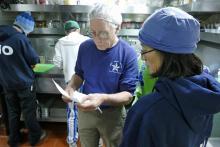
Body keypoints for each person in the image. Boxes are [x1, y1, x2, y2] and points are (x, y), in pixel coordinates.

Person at [120, 7, 220, 147]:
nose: (142, 57)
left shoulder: (146, 111)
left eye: (145, 49)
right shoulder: (205, 96)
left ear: (166, 52)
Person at [62, 3, 138, 147]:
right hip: (86, 111)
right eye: (93, 33)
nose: (97, 39)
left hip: (112, 115)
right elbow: (79, 74)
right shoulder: (85, 47)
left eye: (103, 33)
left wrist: (103, 98)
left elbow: (128, 95)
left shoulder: (127, 53)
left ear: (118, 28)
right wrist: (71, 87)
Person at [0, 12, 46, 147]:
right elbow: (34, 60)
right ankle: (35, 137)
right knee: (28, 112)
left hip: (7, 83)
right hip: (24, 83)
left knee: (12, 112)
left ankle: (14, 140)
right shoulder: (20, 39)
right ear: (26, 28)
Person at [53, 20, 89, 147]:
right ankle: (87, 140)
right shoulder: (87, 40)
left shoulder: (61, 42)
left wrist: (65, 66)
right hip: (86, 81)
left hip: (71, 82)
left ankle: (71, 141)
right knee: (87, 111)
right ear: (78, 29)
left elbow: (57, 63)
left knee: (72, 113)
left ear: (66, 31)